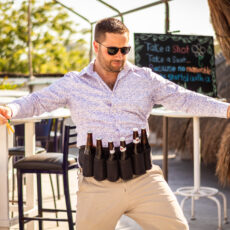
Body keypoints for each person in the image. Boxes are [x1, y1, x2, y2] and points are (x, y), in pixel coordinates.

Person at [0, 17, 229, 230]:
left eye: (125, 49)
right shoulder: (73, 83)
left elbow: (185, 98)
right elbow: (38, 100)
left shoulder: (145, 79)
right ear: (96, 46)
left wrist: (226, 109)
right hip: (97, 185)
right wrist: (11, 109)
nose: (120, 56)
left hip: (144, 179)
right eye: (113, 50)